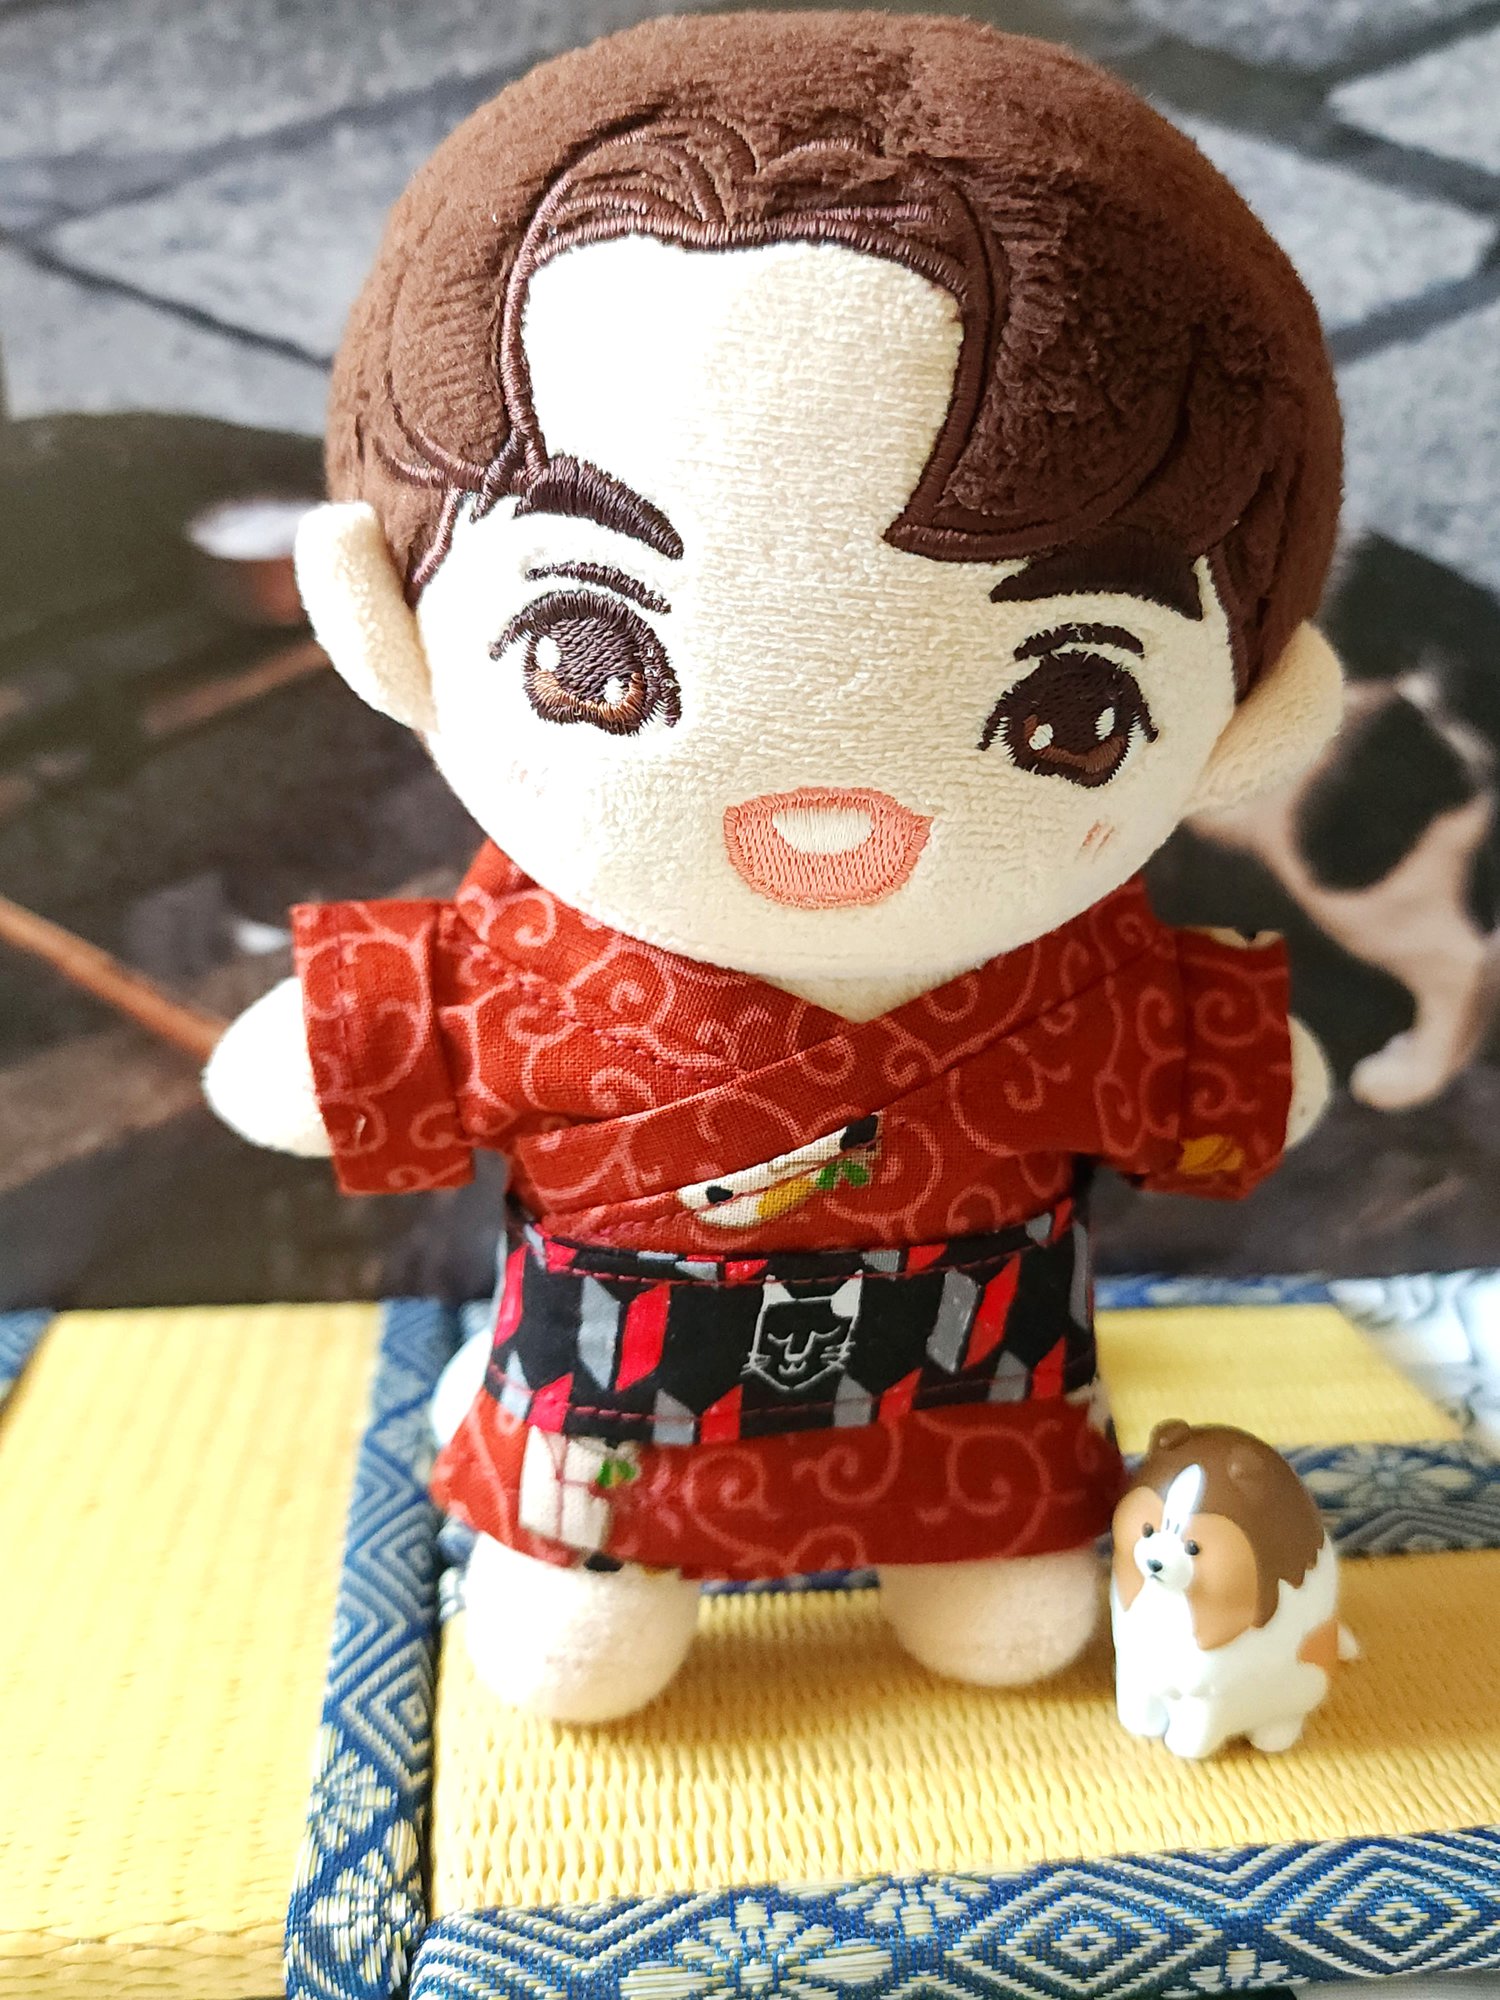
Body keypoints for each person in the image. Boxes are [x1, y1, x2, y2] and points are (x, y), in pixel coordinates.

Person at [205, 12, 1343, 1721]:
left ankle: (965, 1547)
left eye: (1070, 706)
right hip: (611, 1411)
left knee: (1013, 1614)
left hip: (977, 1412)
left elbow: (1212, 1066)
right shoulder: (532, 969)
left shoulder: (1085, 977)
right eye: (590, 655)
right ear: (388, 632)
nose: (826, 822)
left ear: (1247, 722)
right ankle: (593, 1562)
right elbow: (372, 1042)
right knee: (583, 1639)